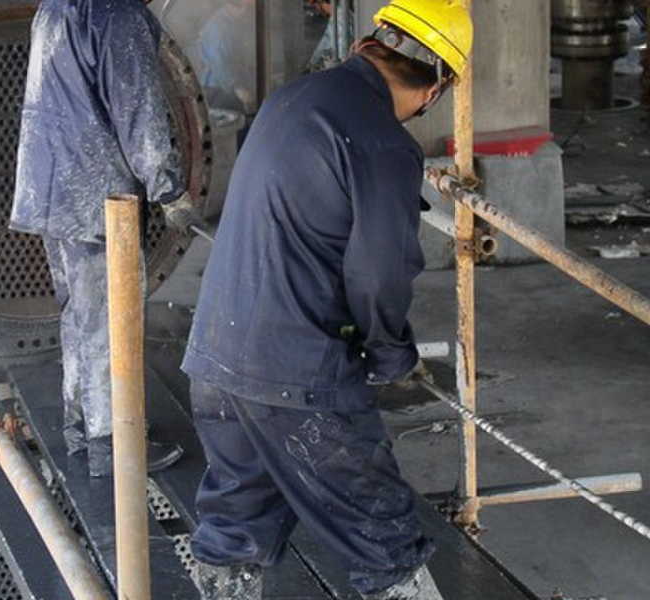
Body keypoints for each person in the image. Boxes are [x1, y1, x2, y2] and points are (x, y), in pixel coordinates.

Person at [181, 1, 473, 598]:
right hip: (297, 380)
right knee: (385, 543)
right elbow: (379, 276)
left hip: (216, 360)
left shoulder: (293, 99)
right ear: (435, 88)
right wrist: (393, 359)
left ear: (369, 43)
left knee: (235, 532)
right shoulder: (383, 144)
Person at [11, 0, 199, 477]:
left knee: (81, 316)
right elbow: (141, 113)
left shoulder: (58, 6)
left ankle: (82, 427)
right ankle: (112, 442)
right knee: (109, 320)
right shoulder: (119, 16)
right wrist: (170, 188)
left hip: (50, 185)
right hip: (97, 195)